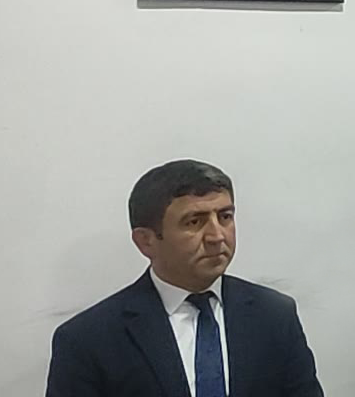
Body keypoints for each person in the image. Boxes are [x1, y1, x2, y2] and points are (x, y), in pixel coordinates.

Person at [45, 160, 323, 397]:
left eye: (225, 216)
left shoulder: (274, 315)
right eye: (194, 222)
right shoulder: (89, 340)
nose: (217, 236)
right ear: (146, 241)